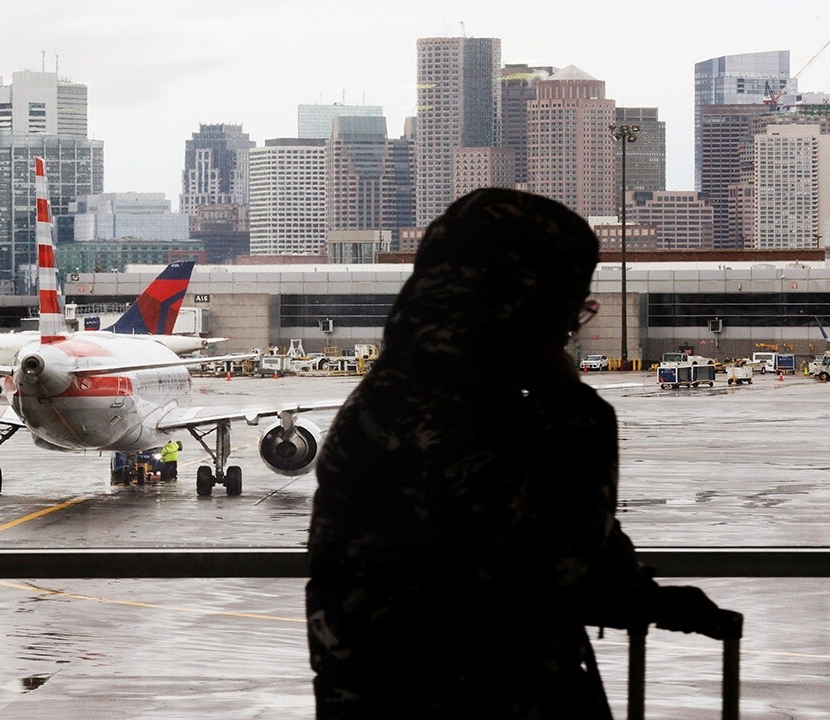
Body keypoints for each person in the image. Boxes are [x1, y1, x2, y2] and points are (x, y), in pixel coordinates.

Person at [306, 188, 738, 719]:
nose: (570, 328)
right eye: (570, 306)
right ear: (523, 306)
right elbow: (553, 561)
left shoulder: (398, 399)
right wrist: (578, 408)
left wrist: (639, 595)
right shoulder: (453, 417)